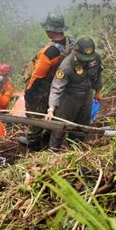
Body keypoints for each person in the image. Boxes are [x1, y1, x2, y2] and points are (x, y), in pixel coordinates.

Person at [19, 14, 74, 150]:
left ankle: (33, 140)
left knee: (35, 112)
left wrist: (29, 91)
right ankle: (48, 135)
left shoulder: (49, 52)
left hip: (44, 87)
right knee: (53, 111)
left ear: (50, 30)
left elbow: (38, 75)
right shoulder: (70, 43)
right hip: (61, 84)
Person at [45, 37, 103, 149]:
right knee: (60, 127)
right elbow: (56, 87)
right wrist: (51, 109)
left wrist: (98, 92)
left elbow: (98, 74)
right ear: (76, 52)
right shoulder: (66, 65)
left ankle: (75, 149)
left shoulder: (96, 58)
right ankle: (53, 150)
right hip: (69, 98)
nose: (86, 61)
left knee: (82, 126)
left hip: (87, 96)